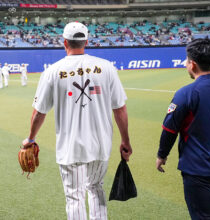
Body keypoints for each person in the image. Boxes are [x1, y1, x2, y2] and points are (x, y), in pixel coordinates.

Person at [22, 22, 132, 220]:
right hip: (101, 144)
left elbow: (39, 112)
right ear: (86, 41)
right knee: (96, 188)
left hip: (70, 146)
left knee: (74, 197)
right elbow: (120, 108)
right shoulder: (107, 68)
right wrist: (125, 141)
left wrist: (30, 138)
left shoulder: (53, 71)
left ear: (64, 42)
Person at [156, 38, 210, 220]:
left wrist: (162, 155)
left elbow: (169, 130)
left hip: (199, 171)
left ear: (192, 64)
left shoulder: (186, 93)